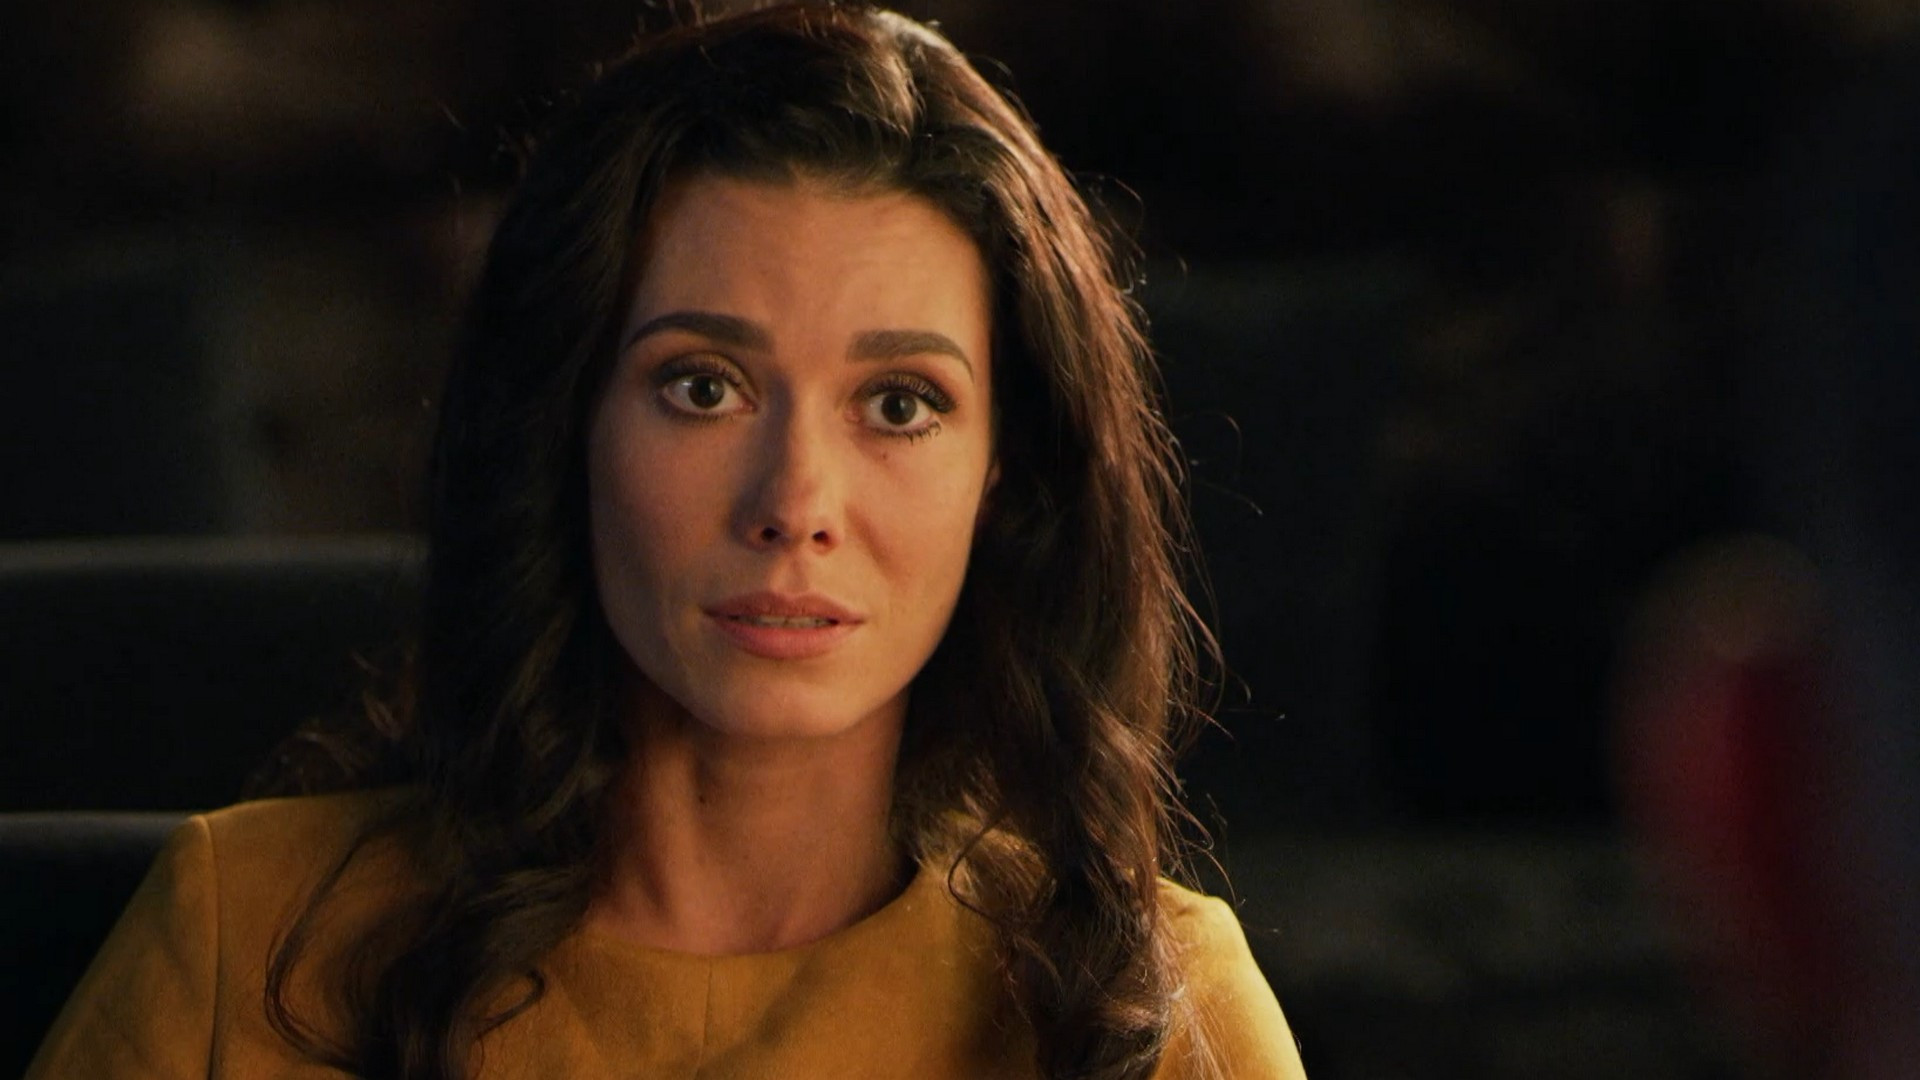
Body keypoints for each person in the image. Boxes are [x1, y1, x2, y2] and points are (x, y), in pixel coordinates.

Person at [27, 5, 1307, 1078]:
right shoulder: (244, 935)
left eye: (899, 405)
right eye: (704, 387)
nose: (795, 501)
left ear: (1003, 473)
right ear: (566, 421)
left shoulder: (1156, 1008)